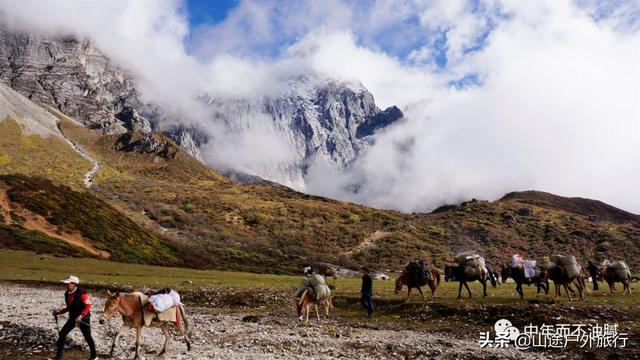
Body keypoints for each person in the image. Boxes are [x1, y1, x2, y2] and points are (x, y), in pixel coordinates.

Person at [49, 275, 97, 360]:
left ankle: (94, 356)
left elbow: (88, 305)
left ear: (74, 284)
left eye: (68, 283)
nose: (66, 285)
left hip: (83, 318)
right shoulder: (67, 294)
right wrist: (59, 312)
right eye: (66, 283)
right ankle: (58, 356)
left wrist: (81, 316)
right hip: (73, 317)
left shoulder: (82, 293)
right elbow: (69, 307)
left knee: (87, 337)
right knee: (62, 334)